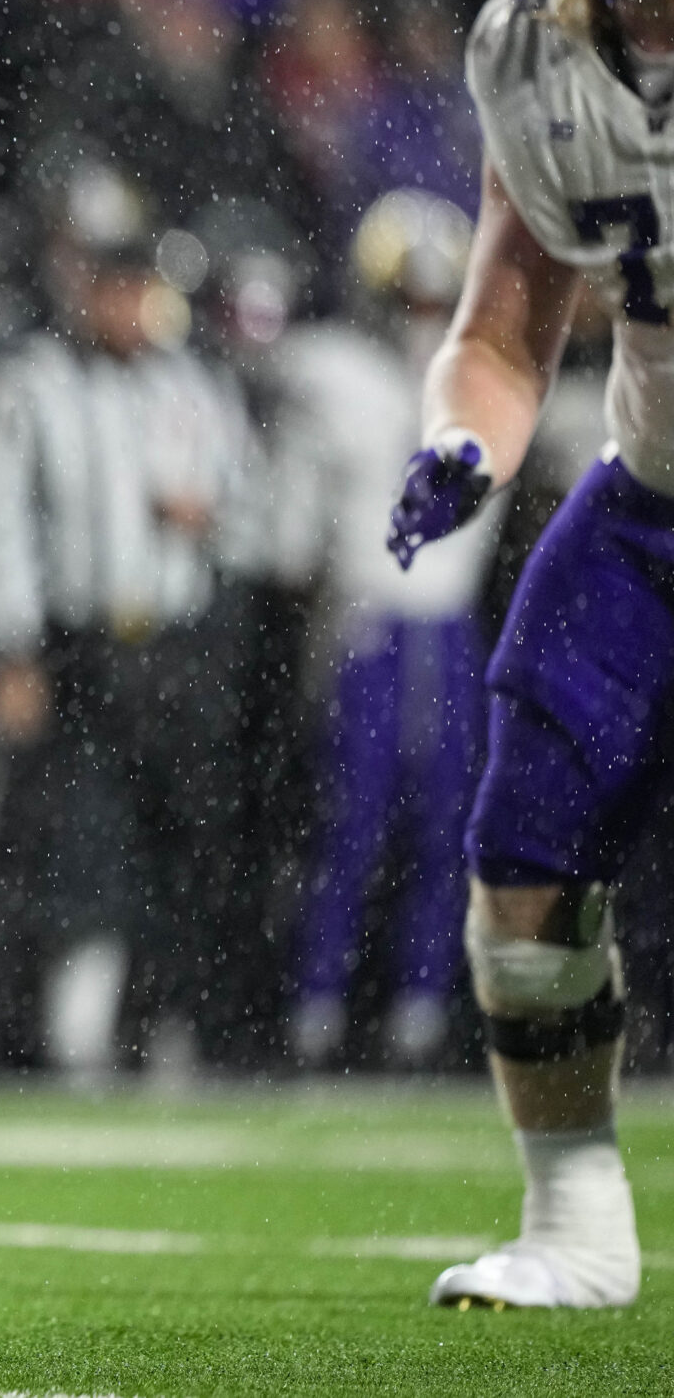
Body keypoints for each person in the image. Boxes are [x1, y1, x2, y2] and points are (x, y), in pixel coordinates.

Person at [385, 0, 674, 1311]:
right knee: (522, 861)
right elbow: (506, 328)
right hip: (652, 503)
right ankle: (575, 1225)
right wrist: (464, 445)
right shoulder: (535, 46)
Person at [0, 163, 256, 1079]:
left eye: (137, 281)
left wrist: (212, 518)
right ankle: (30, 1034)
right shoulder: (27, 383)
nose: (126, 301)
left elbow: (258, 510)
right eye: (111, 281)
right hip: (77, 648)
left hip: (177, 645)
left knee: (181, 845)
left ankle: (160, 1025)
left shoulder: (193, 386)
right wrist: (7, 650)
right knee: (66, 846)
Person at [276, 191, 498, 1070]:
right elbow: (295, 531)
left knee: (449, 827)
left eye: (436, 300)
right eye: (410, 299)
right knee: (350, 823)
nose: (423, 317)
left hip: (450, 626)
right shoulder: (333, 373)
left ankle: (419, 1011)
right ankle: (316, 1004)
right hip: (366, 621)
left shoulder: (490, 377)